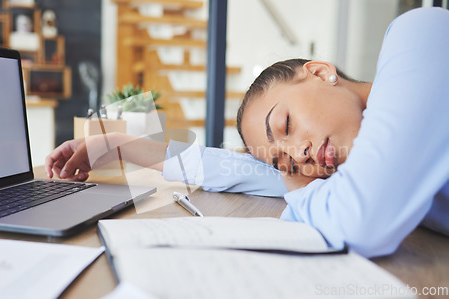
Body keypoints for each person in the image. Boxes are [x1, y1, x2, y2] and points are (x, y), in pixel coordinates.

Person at [45, 7, 449, 258]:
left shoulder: (421, 36)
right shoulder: (358, 163)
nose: (299, 157)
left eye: (285, 125)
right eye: (285, 160)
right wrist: (120, 146)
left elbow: (363, 224)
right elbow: (244, 171)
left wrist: (299, 186)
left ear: (321, 72)